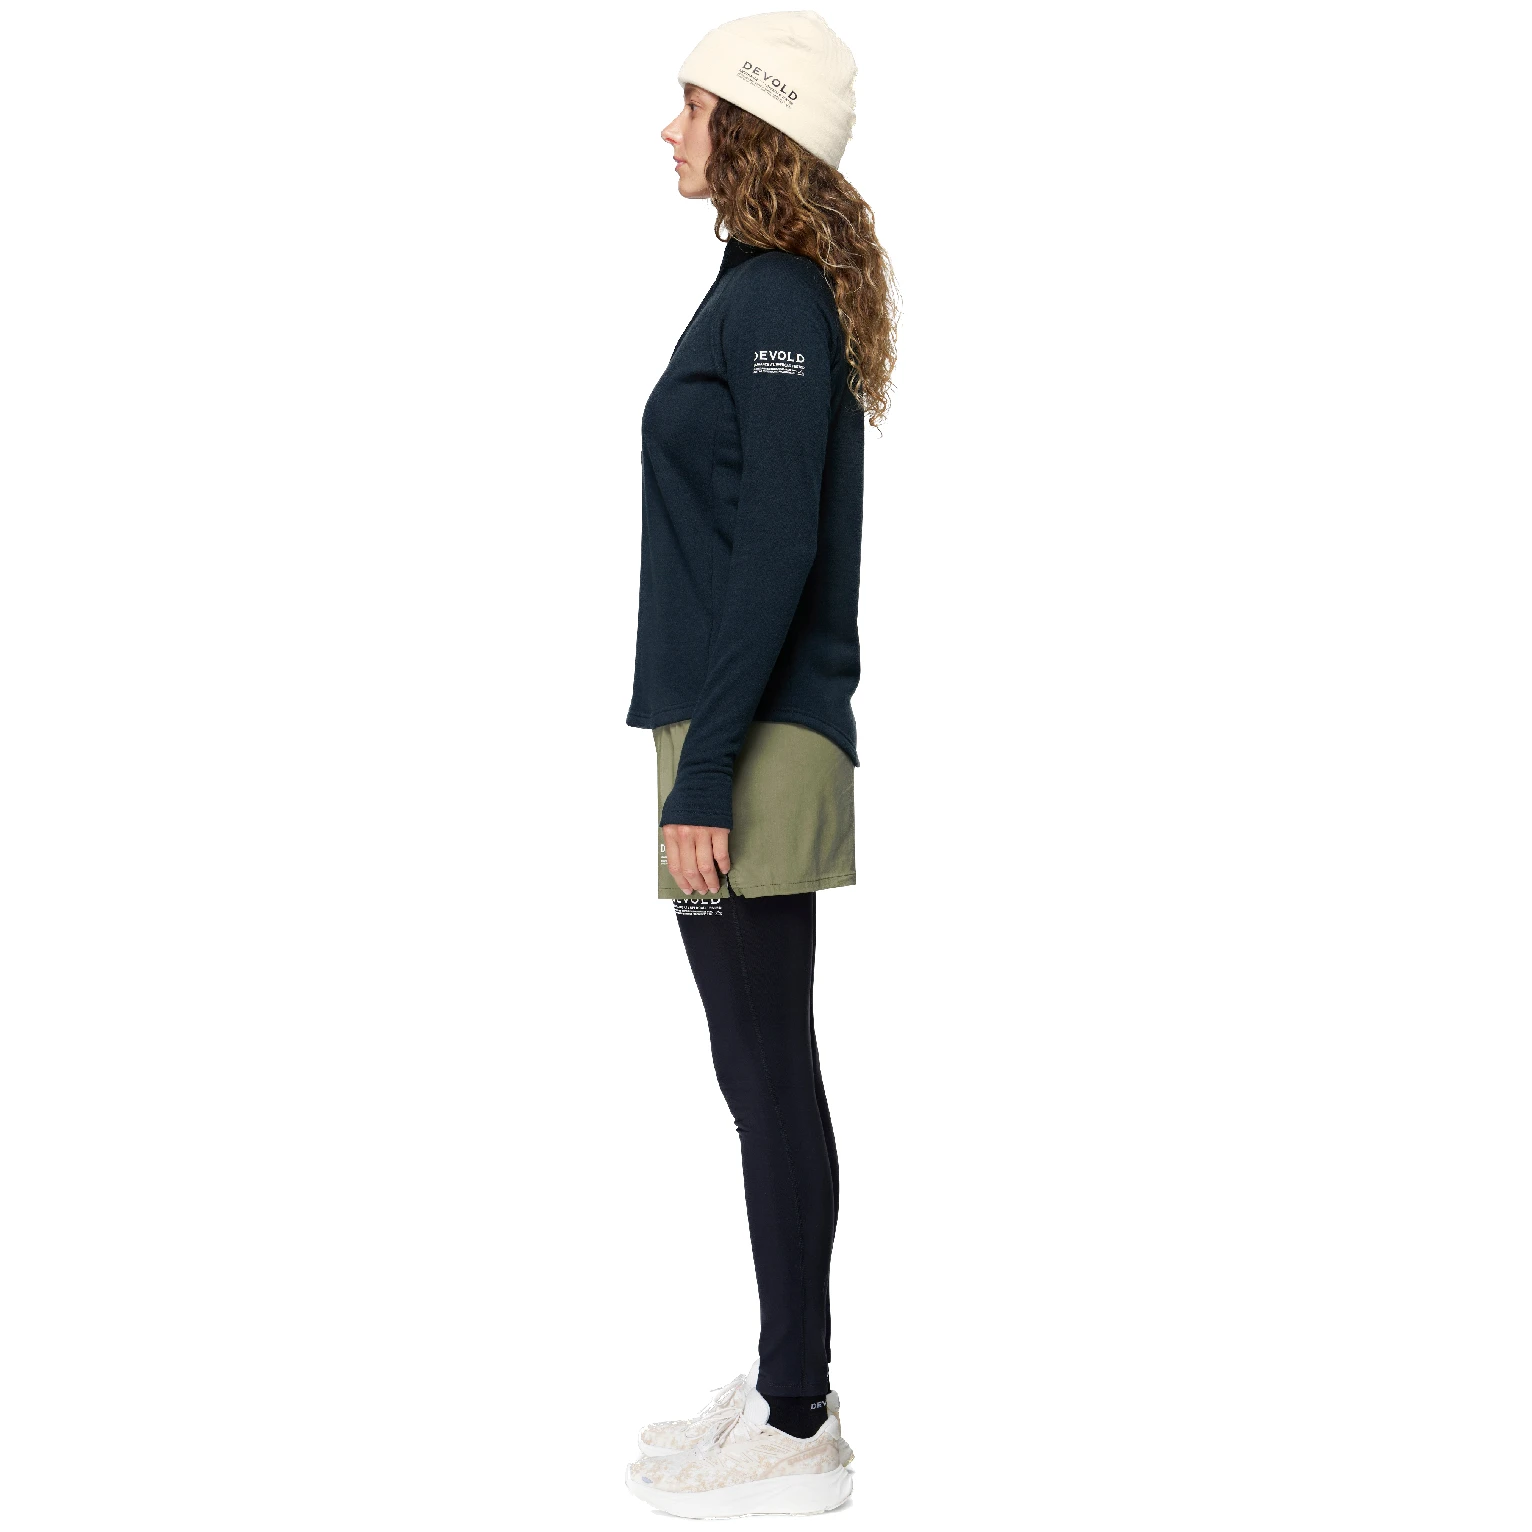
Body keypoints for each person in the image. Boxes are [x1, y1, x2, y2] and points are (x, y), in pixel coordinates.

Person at [622, 9, 897, 1520]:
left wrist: (707, 772)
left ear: (755, 127)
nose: (669, 133)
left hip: (753, 738)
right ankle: (793, 1380)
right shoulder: (756, 290)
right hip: (731, 726)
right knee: (760, 1066)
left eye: (692, 109)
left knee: (767, 1071)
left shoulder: (776, 298)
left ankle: (799, 1422)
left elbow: (777, 545)